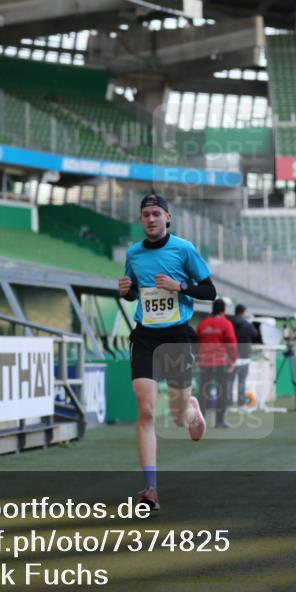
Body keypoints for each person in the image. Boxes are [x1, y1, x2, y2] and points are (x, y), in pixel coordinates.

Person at [119, 193, 216, 511]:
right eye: (146, 214)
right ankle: (150, 489)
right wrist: (126, 291)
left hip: (177, 335)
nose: (151, 219)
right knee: (146, 410)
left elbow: (210, 291)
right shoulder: (133, 253)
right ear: (140, 219)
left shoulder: (184, 249)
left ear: (168, 218)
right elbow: (134, 291)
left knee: (177, 414)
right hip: (145, 336)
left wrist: (180, 286)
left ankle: (191, 411)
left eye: (156, 214)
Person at [197, 298, 238, 428]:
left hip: (205, 363)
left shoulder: (202, 324)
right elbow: (231, 344)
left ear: (212, 308)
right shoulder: (226, 324)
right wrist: (233, 360)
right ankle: (219, 422)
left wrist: (198, 360)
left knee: (203, 391)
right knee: (222, 391)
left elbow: (196, 344)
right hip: (221, 363)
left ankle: (200, 420)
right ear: (223, 310)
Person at [230, 304, 260, 411]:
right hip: (244, 356)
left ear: (235, 311)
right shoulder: (247, 324)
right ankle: (241, 404)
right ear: (243, 312)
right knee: (241, 381)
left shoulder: (229, 322)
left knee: (229, 381)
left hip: (231, 356)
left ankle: (228, 404)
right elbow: (255, 334)